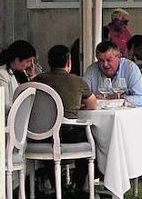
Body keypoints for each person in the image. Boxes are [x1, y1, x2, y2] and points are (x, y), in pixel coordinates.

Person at [32, 45, 96, 198]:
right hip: (68, 136)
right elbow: (92, 105)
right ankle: (77, 184)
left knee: (50, 144)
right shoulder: (77, 81)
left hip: (41, 137)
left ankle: (57, 185)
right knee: (91, 136)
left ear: (49, 62)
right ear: (69, 61)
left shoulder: (37, 80)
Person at [83, 40, 142, 106]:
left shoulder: (130, 68)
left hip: (124, 114)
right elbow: (82, 95)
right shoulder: (92, 70)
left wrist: (115, 100)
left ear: (119, 56)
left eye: (109, 60)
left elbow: (141, 100)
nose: (105, 64)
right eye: (101, 61)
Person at [0, 40, 37, 109]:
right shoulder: (0, 75)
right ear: (17, 60)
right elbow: (4, 105)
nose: (30, 65)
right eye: (28, 61)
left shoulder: (21, 73)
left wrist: (31, 77)